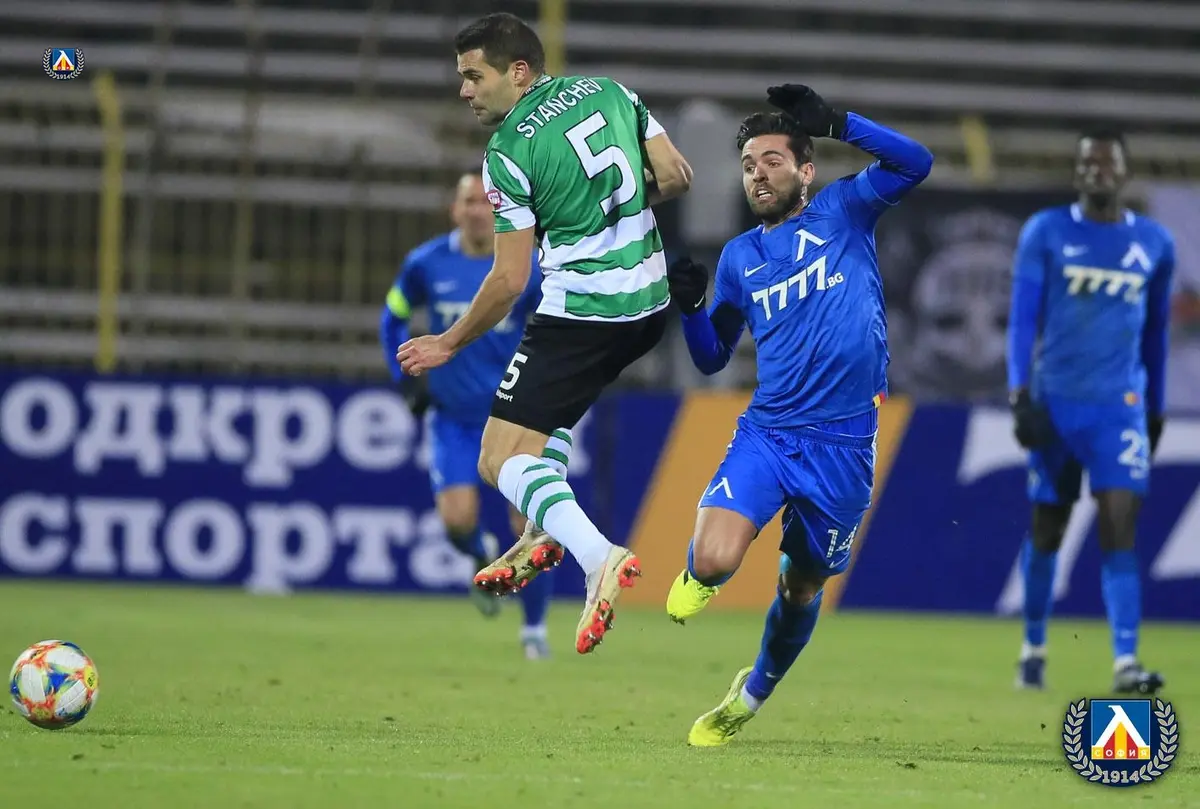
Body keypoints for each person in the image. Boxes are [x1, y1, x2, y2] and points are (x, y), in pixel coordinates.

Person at [397, 12, 693, 655]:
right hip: (647, 307)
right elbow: (676, 176)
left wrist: (448, 343)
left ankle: (598, 557)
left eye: (474, 76)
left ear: (518, 72)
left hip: (581, 314)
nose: (465, 90)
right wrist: (606, 213)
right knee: (544, 426)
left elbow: (509, 280)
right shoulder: (612, 92)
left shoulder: (508, 152)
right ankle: (540, 531)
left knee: (497, 460)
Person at [663, 85, 933, 746]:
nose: (758, 174)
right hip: (771, 433)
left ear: (806, 170)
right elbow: (711, 358)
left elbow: (916, 162)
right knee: (716, 559)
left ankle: (752, 692)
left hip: (845, 447)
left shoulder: (846, 209)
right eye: (748, 165)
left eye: (773, 161)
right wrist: (692, 310)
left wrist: (839, 122)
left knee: (802, 588)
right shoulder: (740, 258)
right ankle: (699, 569)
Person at [1006, 129, 1174, 693]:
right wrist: (1019, 394)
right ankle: (1033, 649)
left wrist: (1155, 409)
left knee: (1119, 527)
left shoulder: (1155, 243)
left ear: (1125, 172)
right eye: (1088, 163)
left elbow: (1156, 334)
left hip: (1118, 410)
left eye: (1108, 162)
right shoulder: (1046, 231)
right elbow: (1022, 319)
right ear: (1076, 172)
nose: (1098, 171)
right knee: (1047, 528)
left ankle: (1126, 661)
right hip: (1055, 404)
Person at [381, 171, 559, 660]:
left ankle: (534, 630)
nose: (479, 210)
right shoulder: (425, 264)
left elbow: (556, 326)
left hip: (514, 416)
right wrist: (404, 380)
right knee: (457, 521)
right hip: (454, 417)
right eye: (469, 202)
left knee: (529, 525)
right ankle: (479, 554)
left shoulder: (525, 267)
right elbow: (392, 316)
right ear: (455, 210)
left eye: (487, 202)